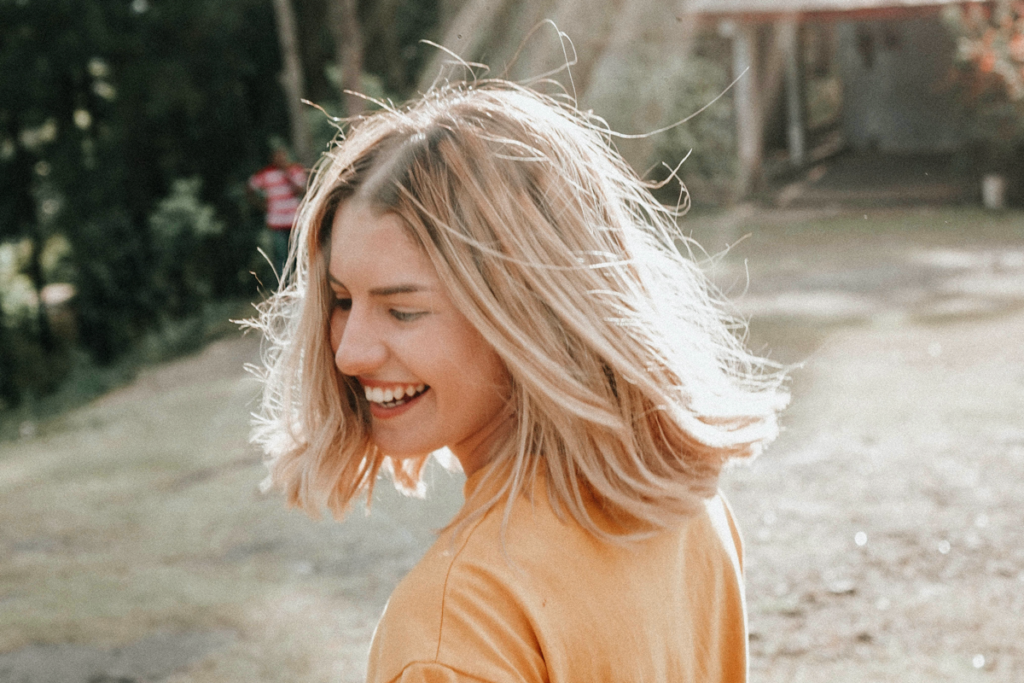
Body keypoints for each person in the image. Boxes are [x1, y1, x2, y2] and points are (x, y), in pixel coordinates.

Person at [250, 79, 788, 683]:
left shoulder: (449, 633)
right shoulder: (683, 501)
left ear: (527, 314)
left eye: (403, 310)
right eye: (343, 301)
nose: (350, 353)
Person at [248, 144, 307, 277]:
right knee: (281, 257)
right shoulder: (266, 173)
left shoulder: (295, 170)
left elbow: (300, 190)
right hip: (276, 223)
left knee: (298, 255)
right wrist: (260, 205)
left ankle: (300, 282)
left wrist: (287, 173)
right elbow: (250, 187)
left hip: (295, 221)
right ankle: (283, 284)